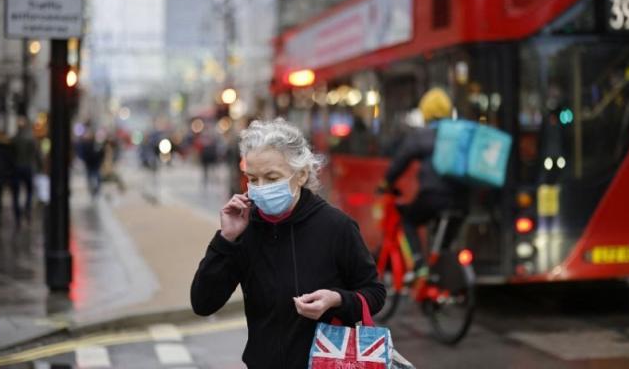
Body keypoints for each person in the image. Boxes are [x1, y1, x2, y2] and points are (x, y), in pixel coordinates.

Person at [191, 118, 385, 369]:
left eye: (272, 178)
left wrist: (336, 299)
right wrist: (226, 240)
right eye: (253, 178)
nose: (260, 188)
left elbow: (374, 293)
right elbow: (203, 303)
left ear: (301, 174)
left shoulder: (336, 226)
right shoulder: (246, 229)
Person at [380, 88, 469, 274]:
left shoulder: (422, 136)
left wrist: (386, 183)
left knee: (408, 221)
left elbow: (400, 161)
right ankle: (442, 271)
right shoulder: (461, 133)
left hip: (433, 197)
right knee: (444, 242)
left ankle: (419, 265)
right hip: (462, 200)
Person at [11, 117, 40, 226]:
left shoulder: (14, 139)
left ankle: (18, 215)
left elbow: (10, 155)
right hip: (28, 168)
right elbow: (36, 154)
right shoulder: (31, 139)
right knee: (29, 191)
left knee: (16, 194)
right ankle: (27, 209)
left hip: (16, 168)